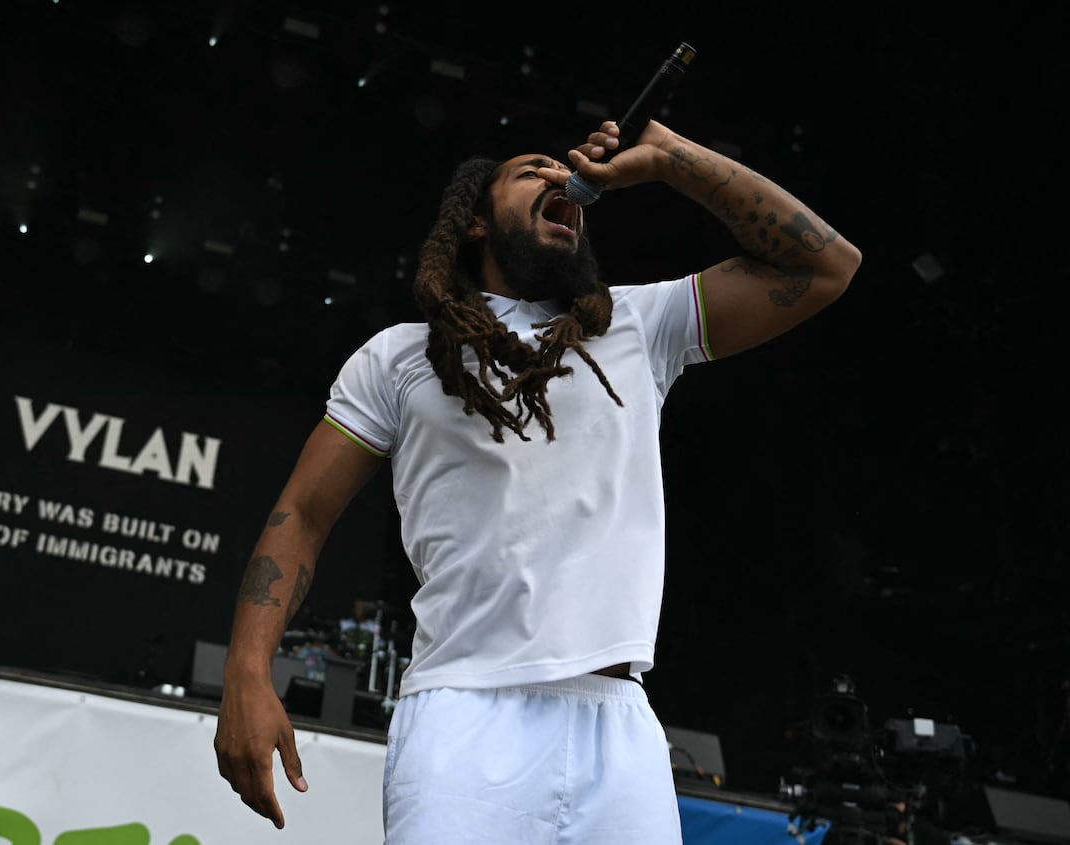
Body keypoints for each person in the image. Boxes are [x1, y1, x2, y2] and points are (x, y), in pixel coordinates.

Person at [213, 114, 862, 843]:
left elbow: (824, 266)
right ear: (475, 225)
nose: (561, 179)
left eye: (567, 174)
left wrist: (671, 159)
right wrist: (246, 668)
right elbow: (302, 511)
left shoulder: (639, 326)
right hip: (463, 714)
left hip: (618, 725)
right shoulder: (399, 358)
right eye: (532, 171)